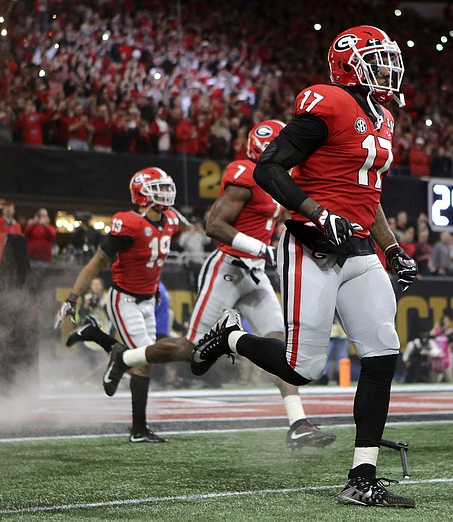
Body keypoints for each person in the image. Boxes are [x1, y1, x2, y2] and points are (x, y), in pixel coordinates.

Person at [188, 26, 417, 507]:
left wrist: (392, 248)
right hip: (313, 245)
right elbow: (269, 167)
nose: (388, 67)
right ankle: (229, 336)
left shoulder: (385, 118)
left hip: (359, 250)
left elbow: (366, 197)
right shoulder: (329, 103)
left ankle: (362, 478)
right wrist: (317, 212)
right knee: (302, 369)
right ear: (350, 64)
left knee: (381, 355)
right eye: (378, 59)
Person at [67, 121, 337, 450]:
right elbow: (214, 225)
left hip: (256, 273)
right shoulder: (245, 173)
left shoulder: (284, 178)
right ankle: (125, 358)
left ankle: (298, 423)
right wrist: (260, 248)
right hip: (226, 268)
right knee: (190, 349)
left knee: (280, 347)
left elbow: (272, 222)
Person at [55, 167, 180, 443]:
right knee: (147, 358)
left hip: (149, 298)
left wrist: (154, 288)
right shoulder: (129, 223)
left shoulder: (170, 220)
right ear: (142, 193)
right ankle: (137, 426)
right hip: (125, 299)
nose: (165, 193)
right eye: (157, 188)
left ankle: (100, 340)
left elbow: (153, 261)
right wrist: (72, 297)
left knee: (147, 360)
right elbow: (98, 262)